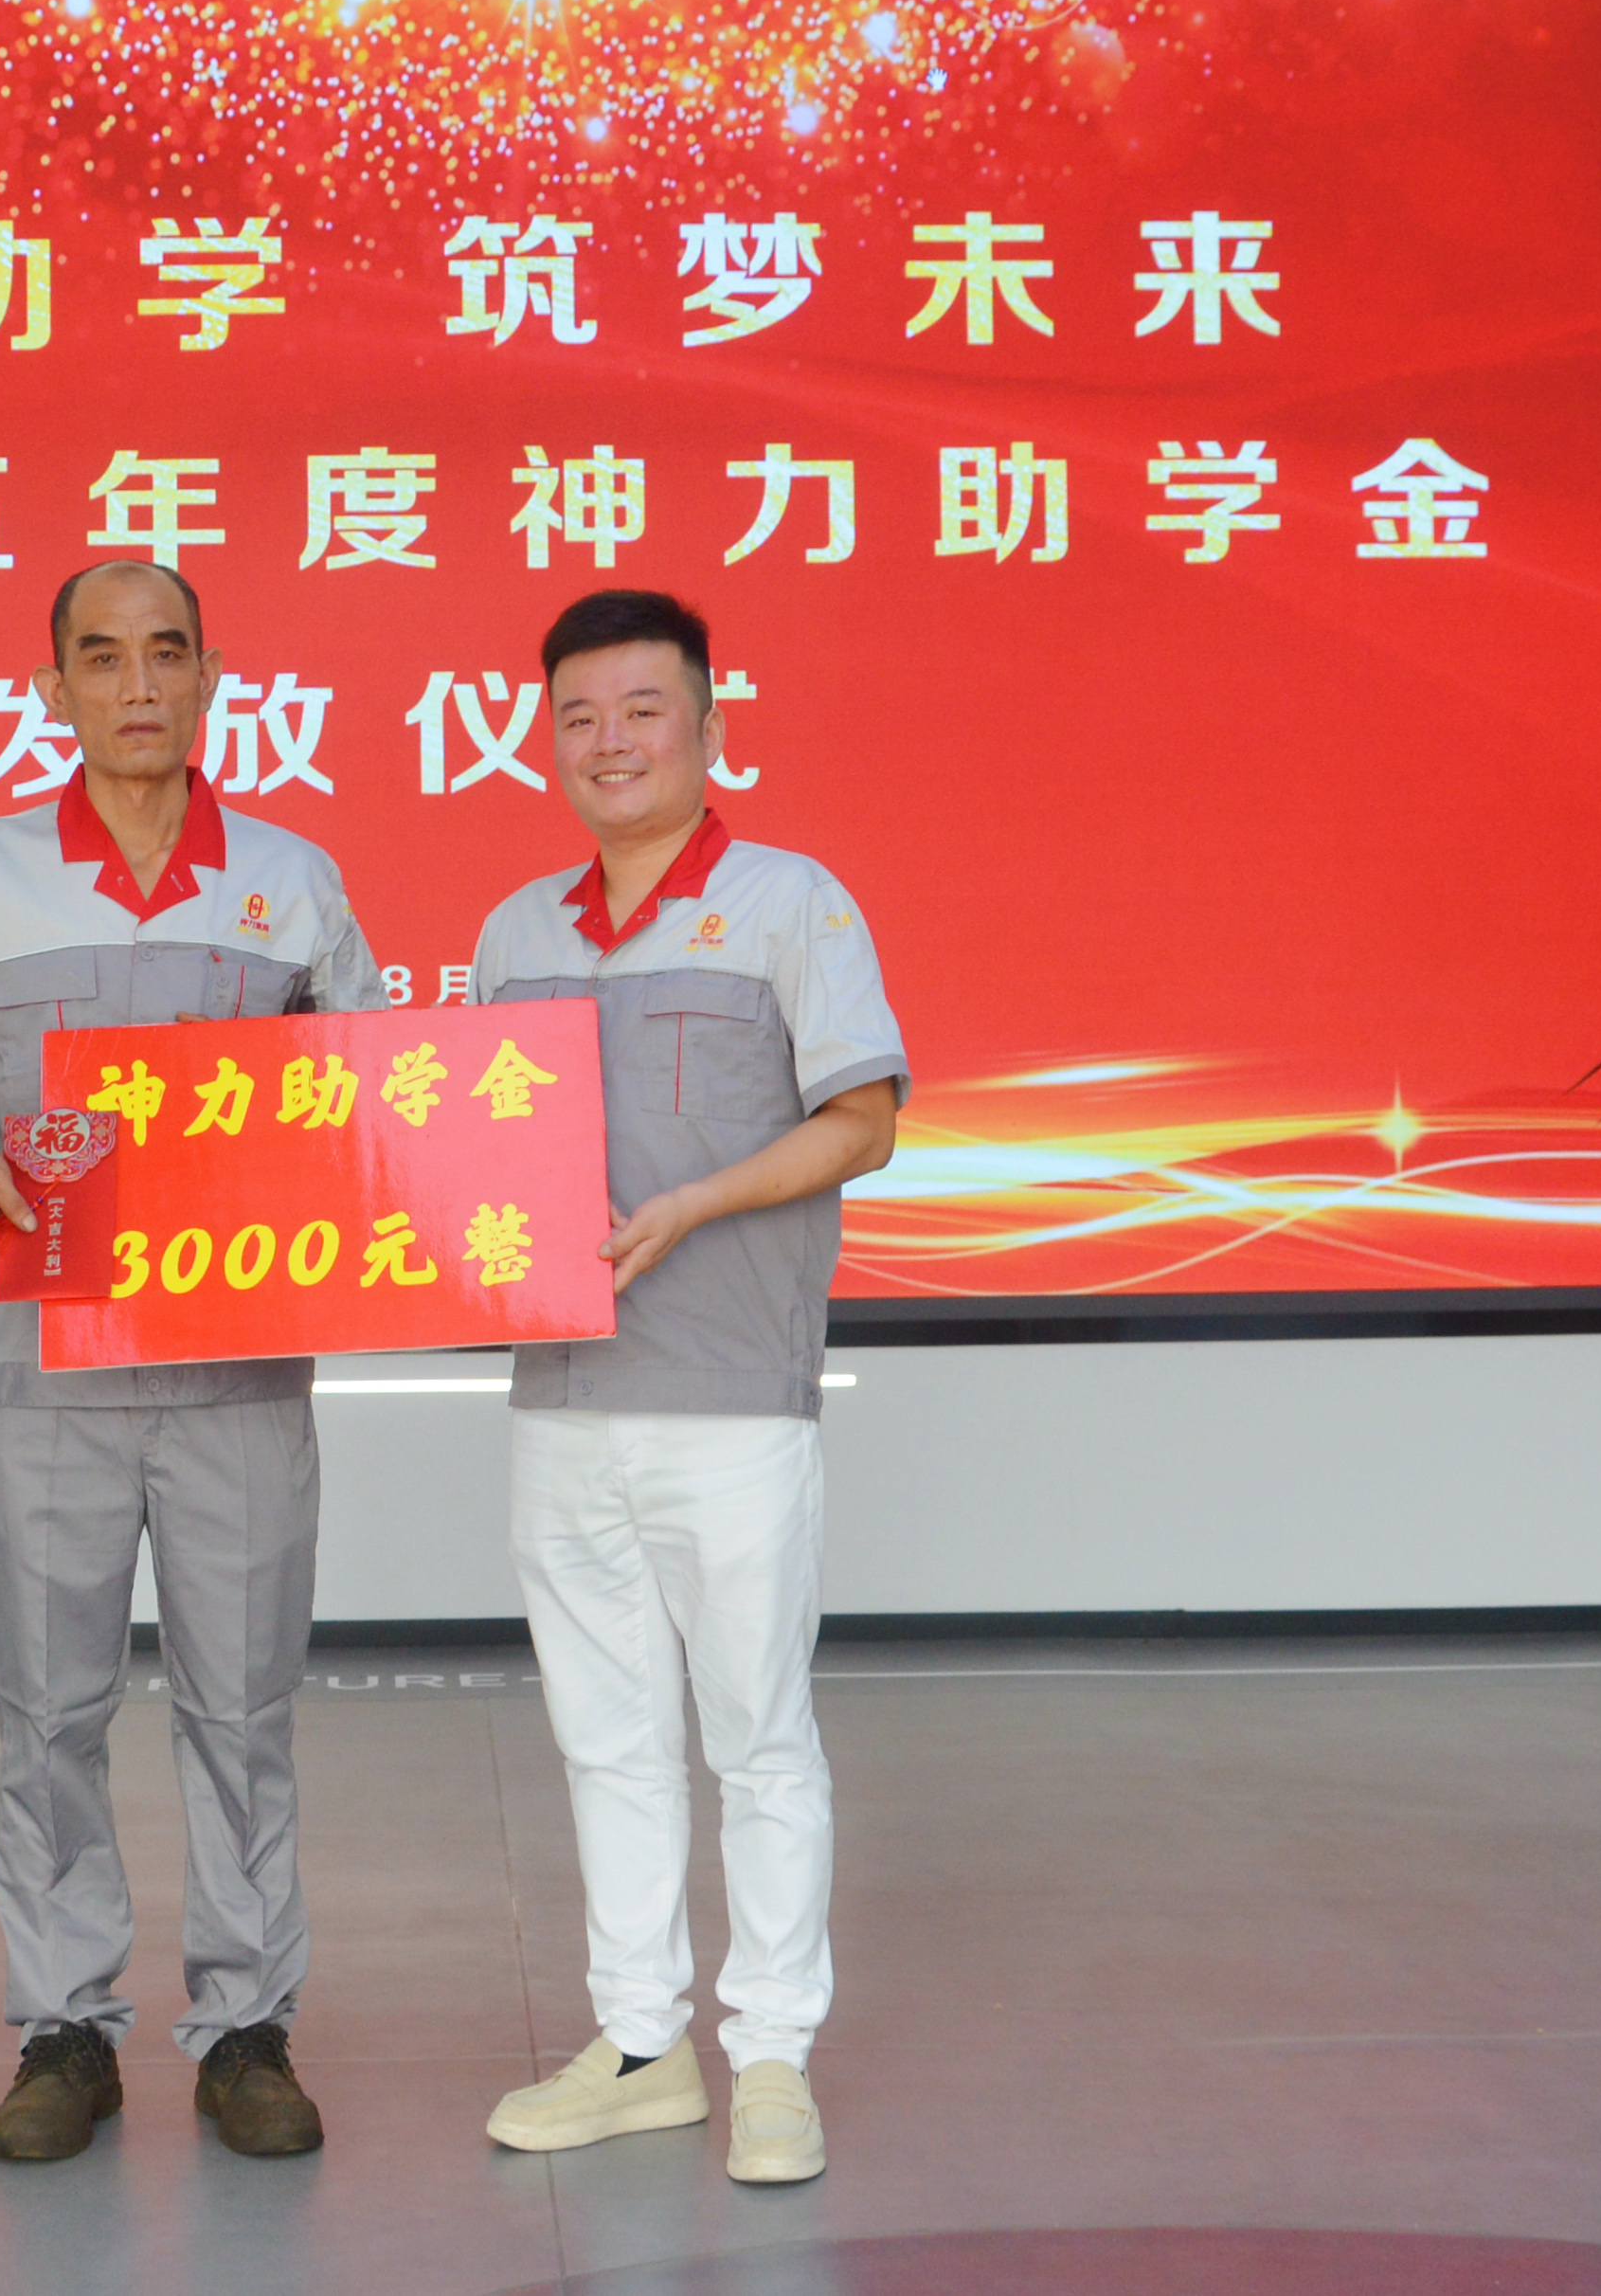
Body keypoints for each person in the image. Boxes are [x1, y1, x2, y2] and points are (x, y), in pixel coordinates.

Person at [0, 559, 385, 2163]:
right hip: (47, 1377)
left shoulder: (291, 880)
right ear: (56, 691)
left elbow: (379, 1094)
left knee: (245, 1710)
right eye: (103, 658)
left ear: (212, 675)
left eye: (166, 653)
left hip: (240, 1380)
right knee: (49, 1710)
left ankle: (247, 2032)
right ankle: (64, 2030)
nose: (137, 685)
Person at [465, 588, 905, 2186]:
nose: (610, 742)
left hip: (730, 1400)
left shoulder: (792, 903)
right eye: (579, 716)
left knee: (757, 1737)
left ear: (709, 727)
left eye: (643, 710)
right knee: (606, 1739)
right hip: (562, 1403)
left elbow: (865, 1120)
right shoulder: (515, 936)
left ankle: (772, 2055)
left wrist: (698, 1204)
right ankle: (642, 2046)